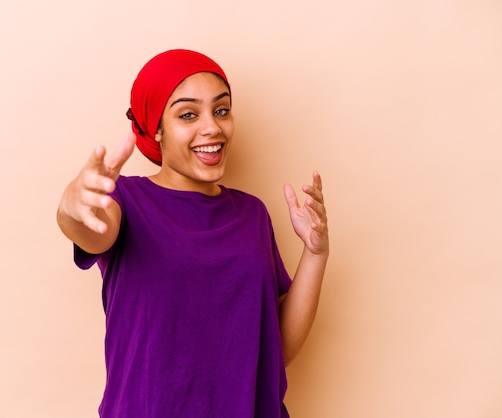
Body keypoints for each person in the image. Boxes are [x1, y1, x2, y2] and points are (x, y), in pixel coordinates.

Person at [56, 49, 329, 418]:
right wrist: (73, 207)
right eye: (188, 114)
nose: (212, 127)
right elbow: (91, 230)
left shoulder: (252, 214)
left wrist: (315, 254)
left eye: (221, 110)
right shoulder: (126, 201)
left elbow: (274, 349)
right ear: (156, 128)